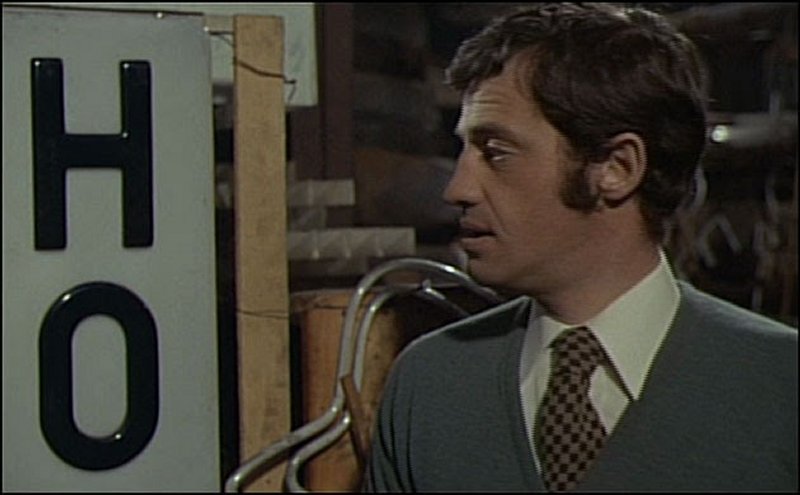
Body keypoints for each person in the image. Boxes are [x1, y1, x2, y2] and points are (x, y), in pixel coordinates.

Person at [364, 3, 797, 492]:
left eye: (497, 153)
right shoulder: (429, 385)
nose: (458, 189)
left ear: (616, 168)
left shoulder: (780, 385)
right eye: (462, 151)